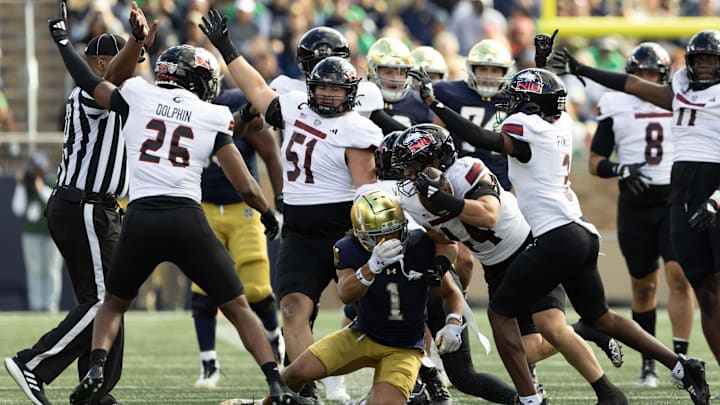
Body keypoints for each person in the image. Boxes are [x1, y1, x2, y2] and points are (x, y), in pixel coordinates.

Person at [46, 9, 307, 405]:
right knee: (237, 306)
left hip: (141, 216)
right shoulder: (212, 114)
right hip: (187, 217)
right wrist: (269, 215)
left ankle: (97, 366)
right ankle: (274, 381)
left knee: (113, 303)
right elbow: (247, 184)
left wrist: (65, 44)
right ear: (199, 81)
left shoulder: (137, 94)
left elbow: (91, 81)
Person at [427, 60, 710, 404]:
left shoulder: (523, 125)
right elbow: (547, 96)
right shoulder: (559, 121)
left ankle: (530, 399)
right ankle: (679, 365)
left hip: (556, 236)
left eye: (518, 98)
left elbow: (480, 137)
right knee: (601, 316)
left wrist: (436, 105)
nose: (511, 104)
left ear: (530, 104)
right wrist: (543, 68)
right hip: (580, 233)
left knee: (500, 312)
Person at [199, 10, 384, 402]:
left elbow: (366, 189)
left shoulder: (357, 129)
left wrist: (369, 237)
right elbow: (256, 90)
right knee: (293, 308)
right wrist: (227, 48)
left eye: (337, 90)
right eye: (323, 88)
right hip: (300, 228)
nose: (329, 95)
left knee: (377, 309)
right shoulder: (296, 105)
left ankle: (413, 379)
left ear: (351, 92)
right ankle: (307, 391)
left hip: (343, 227)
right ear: (310, 86)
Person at [392, 123, 626, 404]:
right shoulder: (415, 202)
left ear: (436, 158)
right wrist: (442, 264)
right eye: (405, 168)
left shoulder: (467, 170)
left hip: (529, 247)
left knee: (550, 325)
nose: (408, 175)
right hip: (495, 267)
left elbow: (488, 215)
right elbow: (445, 240)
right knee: (525, 351)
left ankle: (607, 393)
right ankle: (583, 331)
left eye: (413, 166)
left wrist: (441, 198)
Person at [551, 31, 720, 399]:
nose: (705, 67)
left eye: (712, 60)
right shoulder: (676, 90)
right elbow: (630, 86)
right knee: (699, 290)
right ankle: (679, 366)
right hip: (676, 194)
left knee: (697, 283)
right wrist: (582, 69)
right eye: (700, 60)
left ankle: (680, 355)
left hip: (709, 189)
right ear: (688, 63)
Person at [4, 4, 158, 404]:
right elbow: (108, 78)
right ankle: (33, 364)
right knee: (107, 302)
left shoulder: (113, 94)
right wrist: (136, 41)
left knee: (107, 302)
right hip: (86, 207)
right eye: (131, 59)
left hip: (93, 208)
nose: (138, 67)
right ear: (104, 63)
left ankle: (96, 394)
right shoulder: (93, 95)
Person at [272, 189, 466, 405]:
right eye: (379, 235)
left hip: (404, 349)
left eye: (394, 232)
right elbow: (345, 294)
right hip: (362, 335)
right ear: (361, 235)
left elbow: (450, 291)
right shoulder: (349, 249)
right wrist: (371, 267)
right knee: (296, 371)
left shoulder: (420, 245)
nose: (389, 240)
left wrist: (453, 323)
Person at [587, 42, 695, 388]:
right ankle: (649, 362)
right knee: (643, 287)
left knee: (679, 277)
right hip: (635, 203)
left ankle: (682, 359)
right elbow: (594, 163)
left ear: (663, 77)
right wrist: (621, 169)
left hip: (673, 198)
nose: (647, 80)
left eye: (653, 75)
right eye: (641, 74)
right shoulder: (615, 103)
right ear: (631, 75)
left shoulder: (680, 98)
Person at [191, 80, 285, 389]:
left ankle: (276, 341)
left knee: (257, 290)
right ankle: (208, 365)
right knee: (203, 290)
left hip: (242, 208)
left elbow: (270, 152)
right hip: (202, 205)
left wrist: (279, 202)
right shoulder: (179, 106)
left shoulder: (232, 102)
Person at [269, 26, 406, 136]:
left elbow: (395, 130)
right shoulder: (286, 90)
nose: (324, 73)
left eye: (333, 67)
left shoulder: (365, 92)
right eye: (316, 64)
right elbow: (254, 126)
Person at [433, 38, 515, 191]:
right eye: (483, 69)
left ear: (505, 72)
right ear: (472, 70)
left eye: (495, 70)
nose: (488, 76)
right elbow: (435, 135)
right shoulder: (450, 92)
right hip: (456, 179)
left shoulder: (514, 100)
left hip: (500, 181)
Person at [11, 152, 63, 312]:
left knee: (52, 269)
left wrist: (40, 187)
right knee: (34, 270)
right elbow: (17, 209)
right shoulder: (26, 186)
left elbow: (53, 202)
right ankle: (36, 304)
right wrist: (21, 185)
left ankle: (50, 303)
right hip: (31, 234)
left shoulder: (54, 181)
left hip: (51, 234)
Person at [367, 37, 440, 128]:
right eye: (388, 72)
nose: (395, 78)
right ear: (373, 71)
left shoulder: (418, 102)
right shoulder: (362, 97)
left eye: (401, 73)